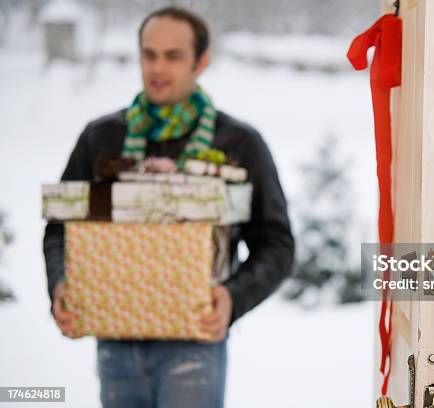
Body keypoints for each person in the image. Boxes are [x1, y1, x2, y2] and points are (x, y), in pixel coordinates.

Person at [42, 6, 294, 407]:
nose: (158, 67)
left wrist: (232, 297)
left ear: (201, 62)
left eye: (173, 56)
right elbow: (60, 225)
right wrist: (59, 283)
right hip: (114, 341)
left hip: (194, 345)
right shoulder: (101, 136)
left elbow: (278, 245)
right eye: (149, 54)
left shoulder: (239, 143)